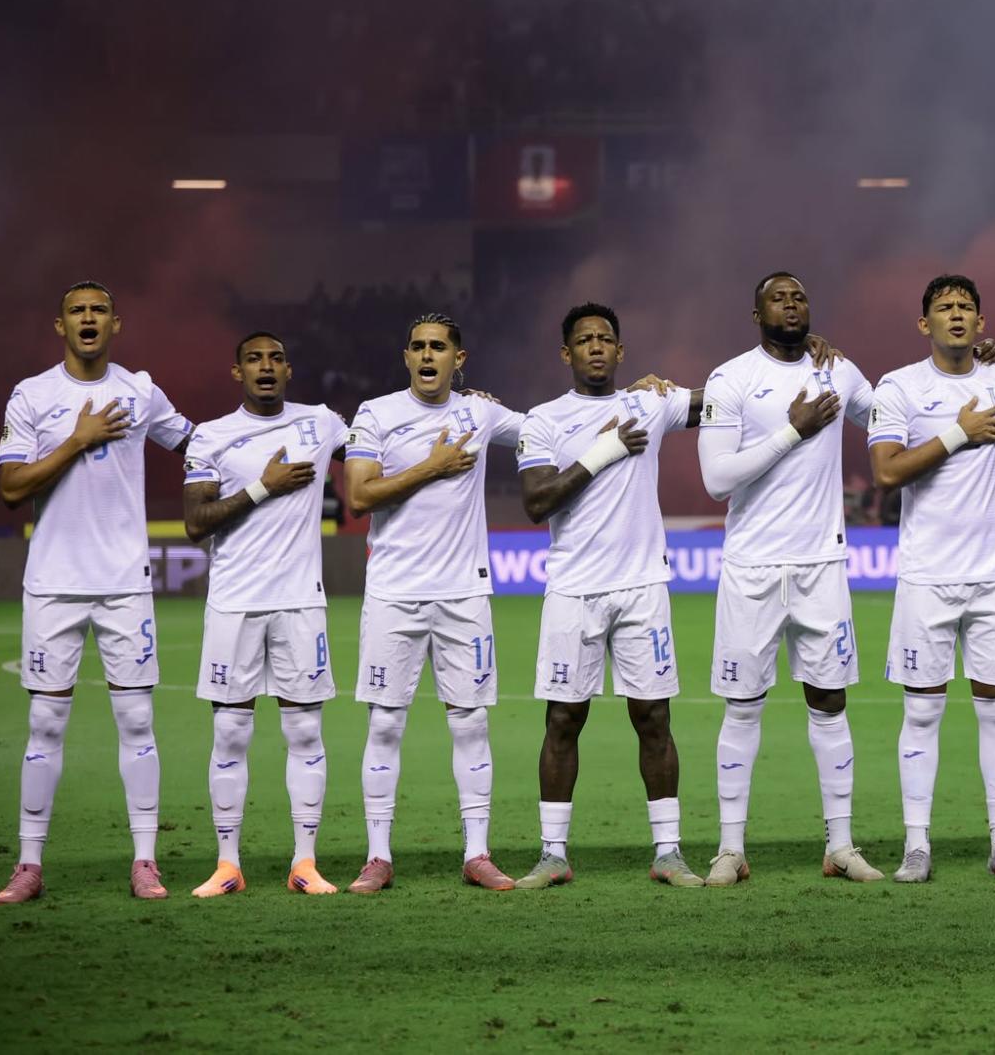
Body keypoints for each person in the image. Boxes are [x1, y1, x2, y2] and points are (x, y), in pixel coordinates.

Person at [0, 282, 194, 903]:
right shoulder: (32, 395)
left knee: (137, 719)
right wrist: (76, 441)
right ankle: (29, 864)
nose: (88, 318)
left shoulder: (139, 389)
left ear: (116, 324)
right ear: (60, 326)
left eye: (98, 310)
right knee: (45, 721)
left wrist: (279, 431)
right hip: (53, 583)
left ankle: (144, 861)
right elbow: (10, 486)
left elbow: (194, 439)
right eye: (77, 311)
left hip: (123, 585)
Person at [868, 274, 995, 882]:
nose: (956, 315)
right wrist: (960, 432)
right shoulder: (900, 386)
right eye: (943, 308)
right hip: (927, 575)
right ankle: (917, 847)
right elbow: (887, 471)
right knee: (922, 713)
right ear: (923, 323)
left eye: (966, 308)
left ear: (981, 323)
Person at [695, 273, 884, 885]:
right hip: (751, 567)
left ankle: (841, 845)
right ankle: (730, 850)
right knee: (742, 707)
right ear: (756, 313)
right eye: (779, 297)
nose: (792, 304)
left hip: (821, 566)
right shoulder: (731, 379)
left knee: (829, 703)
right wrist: (793, 430)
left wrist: (966, 365)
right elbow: (718, 479)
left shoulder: (838, 371)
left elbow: (889, 413)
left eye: (800, 296)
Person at [513, 302, 703, 889]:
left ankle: (668, 852)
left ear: (621, 352)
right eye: (584, 340)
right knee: (564, 720)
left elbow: (733, 400)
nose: (595, 347)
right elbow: (538, 500)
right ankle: (552, 855)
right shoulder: (542, 421)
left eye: (606, 339)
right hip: (573, 589)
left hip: (643, 586)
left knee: (653, 718)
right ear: (565, 353)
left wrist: (805, 355)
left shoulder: (649, 401)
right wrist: (605, 450)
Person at [341, 313, 525, 893]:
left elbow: (553, 429)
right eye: (418, 347)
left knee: (470, 721)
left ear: (458, 359)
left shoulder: (480, 412)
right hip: (394, 593)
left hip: (463, 593)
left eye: (439, 347)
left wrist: (652, 398)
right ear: (406, 357)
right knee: (386, 723)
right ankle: (377, 857)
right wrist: (432, 466)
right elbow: (358, 495)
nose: (427, 355)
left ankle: (477, 853)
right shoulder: (376, 413)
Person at [182, 332, 350, 896]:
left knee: (305, 729)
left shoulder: (322, 422)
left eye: (276, 358)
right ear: (238, 373)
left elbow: (380, 445)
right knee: (230, 732)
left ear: (289, 369)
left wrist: (472, 404)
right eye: (254, 359)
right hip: (234, 604)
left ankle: (304, 863)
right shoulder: (212, 436)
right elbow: (196, 521)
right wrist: (262, 487)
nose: (266, 367)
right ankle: (228, 864)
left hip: (301, 601)